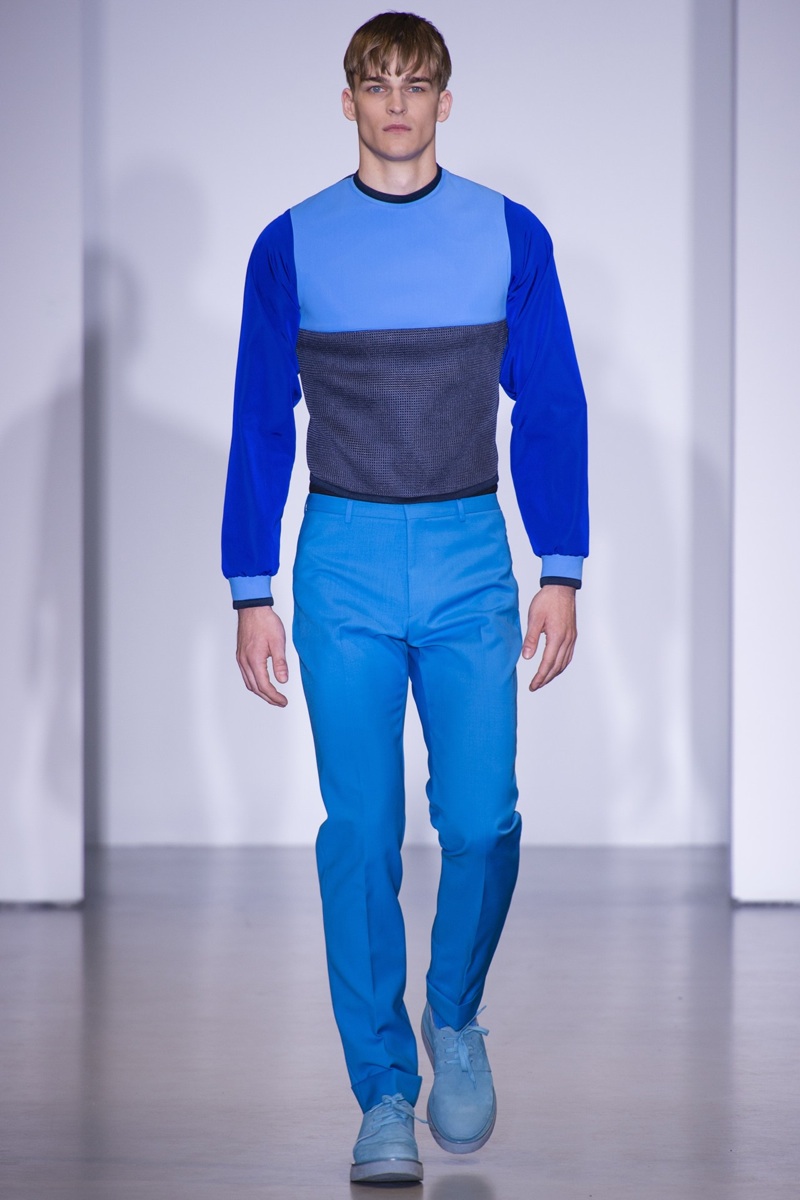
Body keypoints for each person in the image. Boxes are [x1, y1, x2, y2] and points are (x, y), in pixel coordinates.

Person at [222, 11, 588, 1185]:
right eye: (375, 83)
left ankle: (454, 1013)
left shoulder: (505, 232)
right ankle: (382, 1091)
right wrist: (249, 587)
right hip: (341, 557)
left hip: (470, 550)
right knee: (361, 836)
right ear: (347, 101)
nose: (394, 102)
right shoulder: (291, 244)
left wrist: (560, 565)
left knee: (481, 821)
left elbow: (550, 402)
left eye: (414, 83)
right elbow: (257, 418)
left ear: (443, 100)